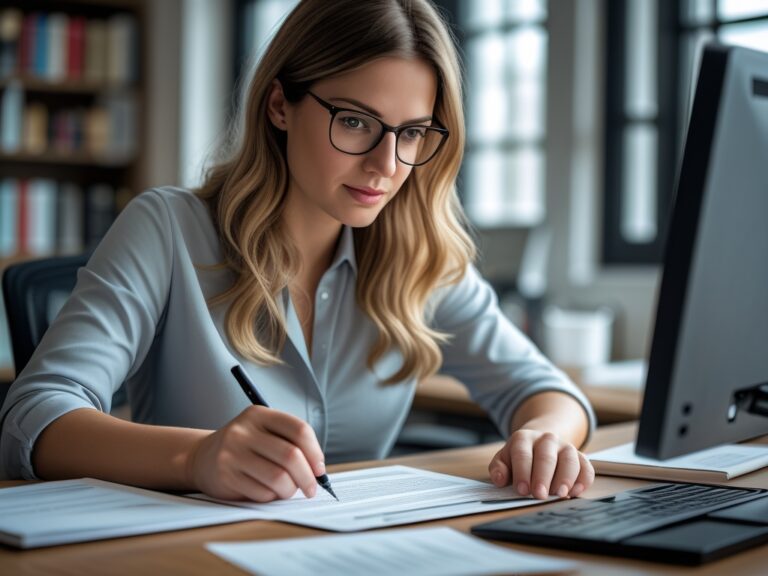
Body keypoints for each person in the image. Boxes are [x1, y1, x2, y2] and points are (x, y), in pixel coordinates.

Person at [0, 0, 595, 503]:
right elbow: (33, 417)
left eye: (412, 132)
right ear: (280, 105)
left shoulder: (420, 254)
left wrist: (544, 436)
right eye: (357, 122)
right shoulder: (169, 228)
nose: (386, 166)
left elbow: (546, 392)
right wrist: (197, 457)